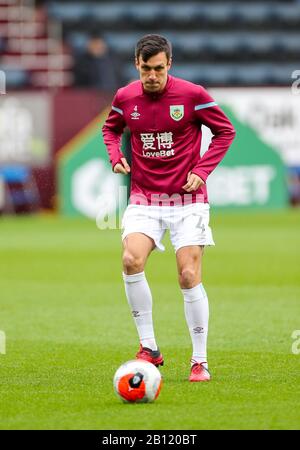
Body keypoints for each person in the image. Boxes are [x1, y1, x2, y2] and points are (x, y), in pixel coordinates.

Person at [102, 34, 236, 382]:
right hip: (145, 198)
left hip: (188, 200)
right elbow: (110, 128)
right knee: (131, 260)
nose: (152, 76)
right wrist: (116, 156)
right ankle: (150, 347)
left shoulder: (193, 95)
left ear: (169, 65)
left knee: (188, 274)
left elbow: (225, 132)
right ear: (137, 65)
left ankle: (200, 360)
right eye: (146, 69)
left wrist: (201, 170)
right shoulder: (125, 97)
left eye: (159, 69)